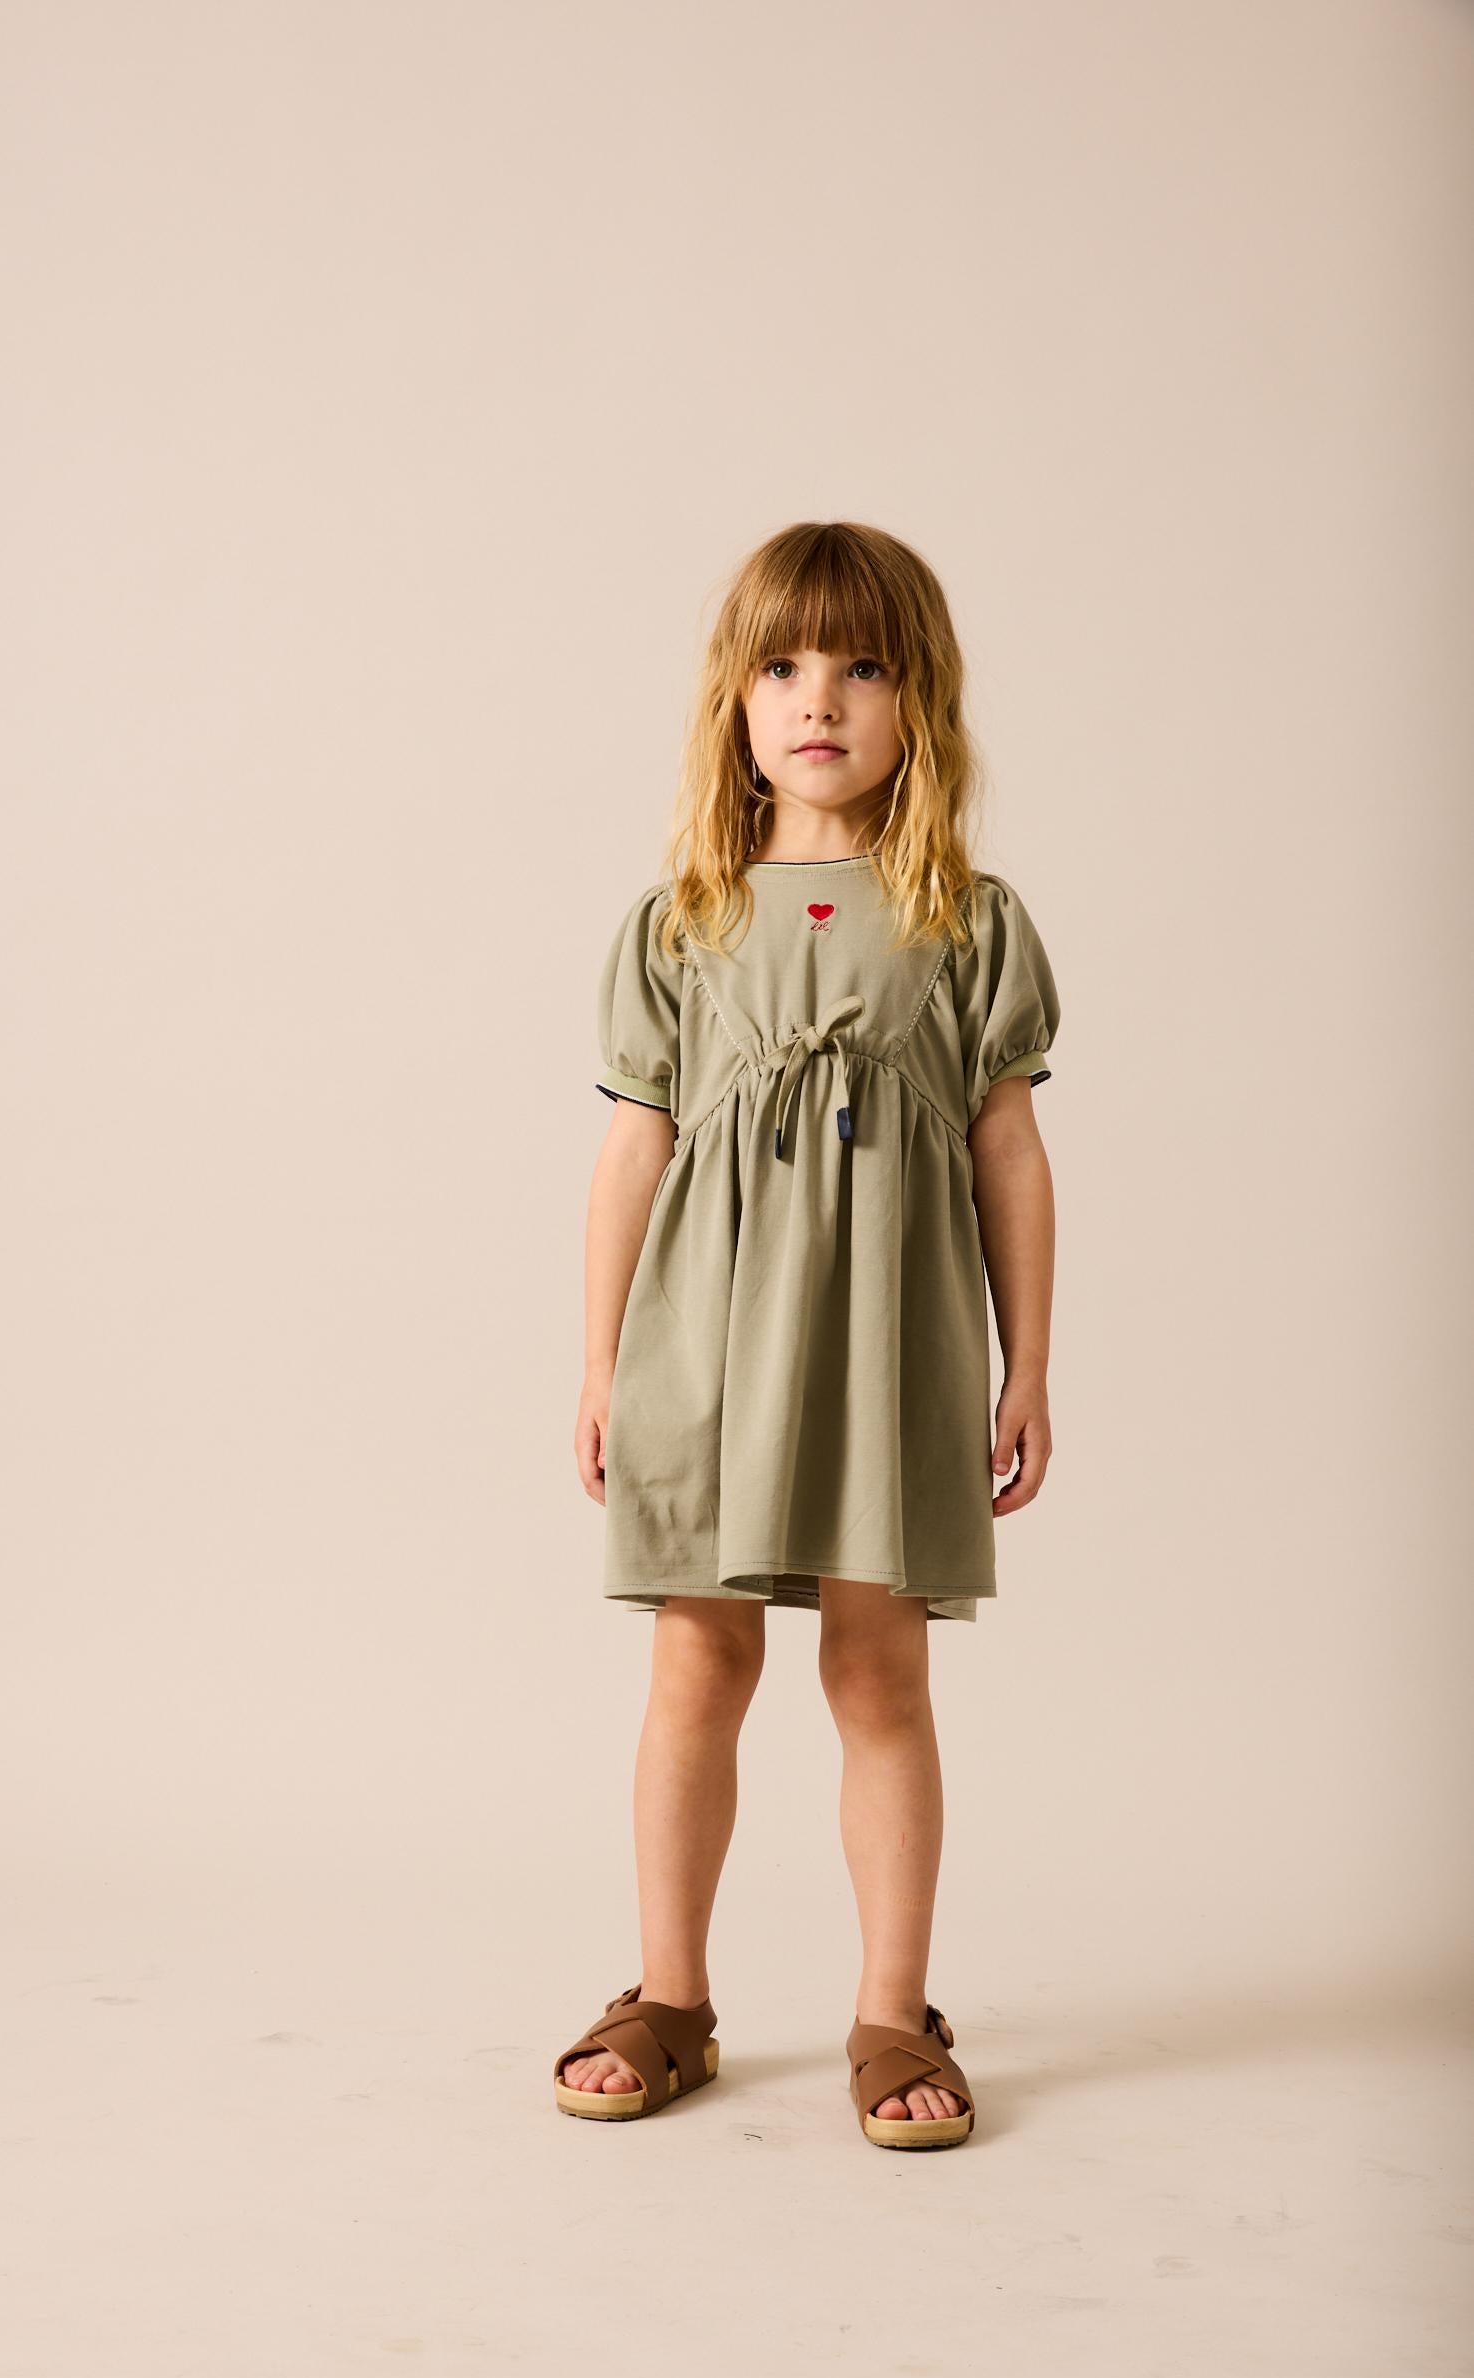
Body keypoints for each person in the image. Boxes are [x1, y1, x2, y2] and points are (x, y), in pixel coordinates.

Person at [556, 520, 1061, 2149]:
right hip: (703, 1354)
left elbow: (1007, 1152)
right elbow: (632, 1149)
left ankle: (893, 2013)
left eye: (860, 665)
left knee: (878, 1667)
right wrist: (598, 1366)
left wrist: (1029, 1366)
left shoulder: (964, 919)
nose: (819, 698)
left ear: (921, 703)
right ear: (737, 700)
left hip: (888, 1356)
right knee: (697, 1661)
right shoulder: (682, 920)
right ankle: (671, 1997)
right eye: (782, 665)